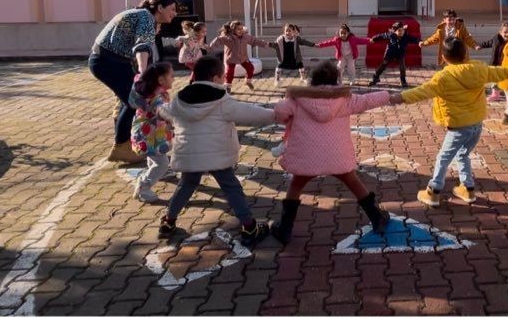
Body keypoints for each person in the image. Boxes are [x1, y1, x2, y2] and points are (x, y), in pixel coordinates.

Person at [269, 60, 393, 244]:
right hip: (337, 156)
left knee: (296, 185)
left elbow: (279, 111)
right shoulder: (344, 99)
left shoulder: (297, 100)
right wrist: (388, 96)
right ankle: (376, 217)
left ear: (312, 81)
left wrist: (286, 111)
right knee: (352, 181)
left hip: (307, 157)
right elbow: (367, 101)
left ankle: (285, 228)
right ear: (337, 80)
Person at [156, 56, 275, 246]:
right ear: (215, 78)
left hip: (189, 154)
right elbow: (249, 112)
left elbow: (166, 111)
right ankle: (249, 227)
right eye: (222, 76)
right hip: (217, 154)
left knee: (186, 185)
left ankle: (168, 222)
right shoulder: (222, 100)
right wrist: (276, 114)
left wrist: (158, 108)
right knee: (231, 186)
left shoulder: (180, 98)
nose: (224, 80)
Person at [393, 37, 508, 207]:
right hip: (476, 125)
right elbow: (501, 72)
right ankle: (468, 188)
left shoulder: (443, 77)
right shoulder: (479, 69)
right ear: (466, 53)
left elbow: (421, 92)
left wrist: (398, 98)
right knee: (463, 154)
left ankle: (434, 191)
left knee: (443, 158)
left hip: (458, 128)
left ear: (443, 57)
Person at [89, 0, 178, 163]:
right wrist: (144, 73)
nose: (175, 14)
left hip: (110, 61)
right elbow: (142, 46)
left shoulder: (142, 15)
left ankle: (124, 143)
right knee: (133, 100)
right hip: (107, 62)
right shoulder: (146, 18)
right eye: (172, 9)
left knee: (127, 101)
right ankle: (121, 147)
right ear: (159, 8)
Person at [128, 62, 175, 203]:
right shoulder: (157, 99)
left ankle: (152, 173)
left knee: (154, 157)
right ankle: (143, 187)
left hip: (147, 134)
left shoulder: (148, 92)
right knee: (161, 163)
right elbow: (167, 113)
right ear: (161, 80)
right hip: (150, 136)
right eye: (171, 76)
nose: (174, 78)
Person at [208, 20, 270, 92]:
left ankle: (248, 81)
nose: (241, 31)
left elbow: (254, 41)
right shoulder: (228, 38)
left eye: (241, 29)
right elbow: (218, 40)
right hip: (231, 58)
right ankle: (228, 86)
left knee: (250, 68)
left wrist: (265, 44)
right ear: (233, 30)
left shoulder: (245, 37)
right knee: (229, 72)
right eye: (238, 29)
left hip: (243, 57)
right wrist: (211, 47)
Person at [369, 22, 420, 87]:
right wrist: (373, 38)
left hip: (400, 54)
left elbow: (415, 39)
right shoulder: (390, 34)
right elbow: (381, 36)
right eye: (399, 31)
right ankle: (376, 77)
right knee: (384, 64)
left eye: (402, 30)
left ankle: (403, 80)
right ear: (395, 31)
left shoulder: (406, 35)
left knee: (402, 67)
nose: (401, 32)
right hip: (390, 53)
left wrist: (420, 41)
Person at [272, 23, 316, 88]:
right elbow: (275, 44)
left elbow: (304, 42)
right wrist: (268, 44)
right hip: (284, 56)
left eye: (289, 31)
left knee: (301, 66)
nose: (287, 32)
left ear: (293, 32)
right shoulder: (280, 39)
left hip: (295, 56)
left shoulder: (296, 38)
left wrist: (313, 44)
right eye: (286, 31)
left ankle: (303, 78)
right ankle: (277, 80)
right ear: (284, 32)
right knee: (279, 68)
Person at [476, 24, 508, 102]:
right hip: (495, 62)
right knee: (494, 79)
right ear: (500, 32)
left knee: (501, 79)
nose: (507, 34)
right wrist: (481, 46)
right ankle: (496, 93)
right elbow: (489, 42)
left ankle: (498, 94)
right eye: (505, 32)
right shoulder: (496, 38)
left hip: (505, 64)